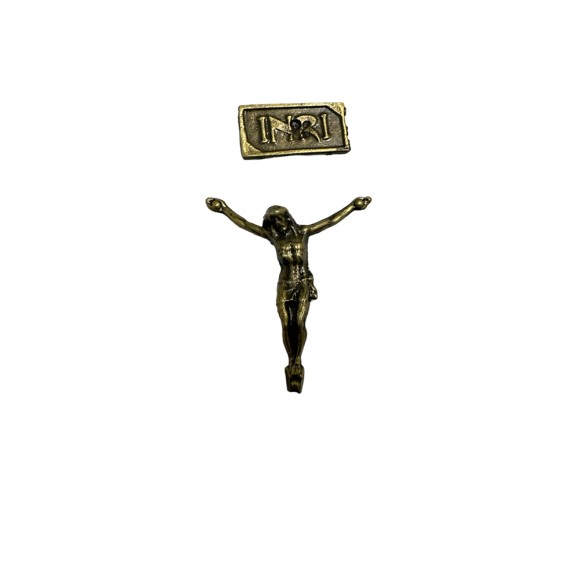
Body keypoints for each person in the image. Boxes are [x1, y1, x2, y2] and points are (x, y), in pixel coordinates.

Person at [206, 196, 372, 393]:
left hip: (302, 283)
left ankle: (297, 360)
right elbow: (245, 224)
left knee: (299, 323)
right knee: (286, 324)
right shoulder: (273, 237)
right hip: (285, 284)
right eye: (274, 221)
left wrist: (352, 206)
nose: (279, 223)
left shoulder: (303, 232)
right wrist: (224, 209)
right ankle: (291, 359)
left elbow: (330, 221)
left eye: (281, 218)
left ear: (288, 218)